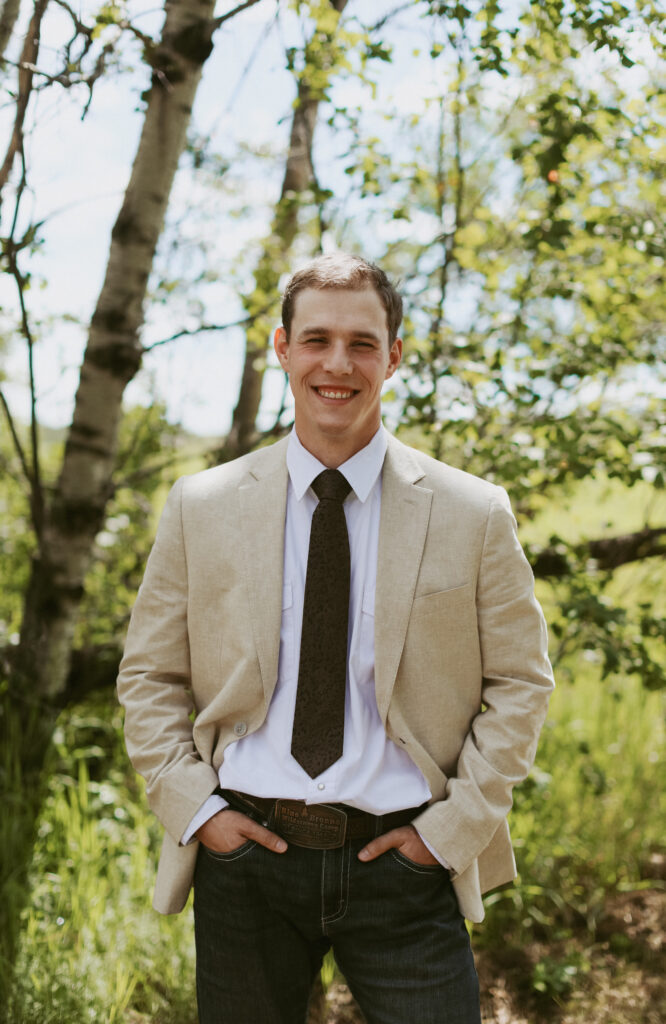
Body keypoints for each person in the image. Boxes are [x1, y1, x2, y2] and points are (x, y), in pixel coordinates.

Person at [117, 253, 554, 1024]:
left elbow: (521, 683)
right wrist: (197, 812)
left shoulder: (473, 512)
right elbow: (150, 676)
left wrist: (448, 833)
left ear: (393, 356)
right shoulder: (203, 505)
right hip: (244, 859)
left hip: (406, 865)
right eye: (316, 339)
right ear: (281, 349)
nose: (338, 364)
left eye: (362, 343)